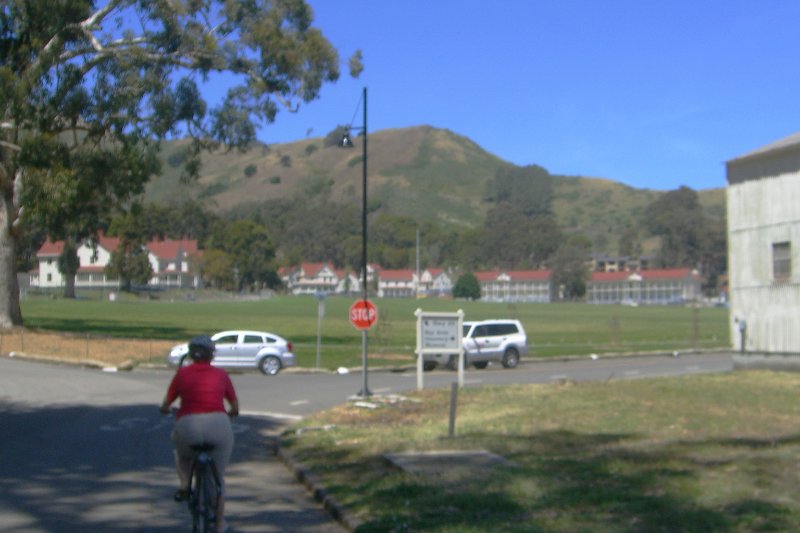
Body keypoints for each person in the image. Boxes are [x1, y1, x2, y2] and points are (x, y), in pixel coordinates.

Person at [160, 335, 239, 532]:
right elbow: (235, 406)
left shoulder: (182, 374)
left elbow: (166, 404)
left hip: (188, 424)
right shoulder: (221, 374)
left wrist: (166, 409)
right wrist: (231, 414)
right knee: (218, 478)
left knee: (182, 455)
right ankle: (219, 524)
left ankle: (185, 484)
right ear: (211, 354)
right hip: (218, 424)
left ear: (190, 354)